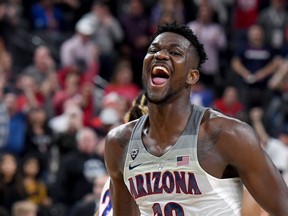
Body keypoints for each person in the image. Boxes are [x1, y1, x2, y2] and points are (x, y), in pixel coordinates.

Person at [104, 22, 288, 215]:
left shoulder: (228, 135)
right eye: (153, 50)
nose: (160, 55)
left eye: (175, 53)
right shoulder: (119, 142)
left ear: (192, 77)